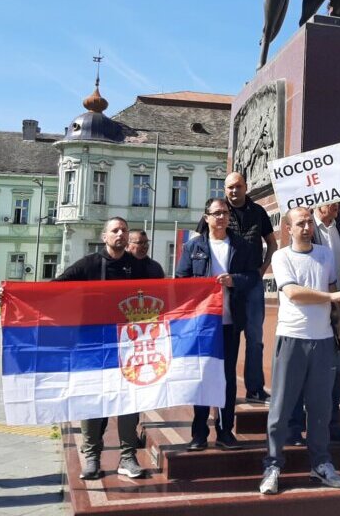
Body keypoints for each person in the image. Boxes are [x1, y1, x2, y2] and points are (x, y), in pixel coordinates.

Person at [52, 217, 153, 480]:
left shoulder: (138, 267)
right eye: (115, 230)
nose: (120, 234)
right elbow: (56, 286)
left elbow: (162, 295)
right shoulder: (89, 264)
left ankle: (128, 457)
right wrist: (16, 293)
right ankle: (92, 456)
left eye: (124, 230)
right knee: (92, 400)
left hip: (128, 345)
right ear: (104, 236)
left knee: (129, 399)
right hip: (92, 344)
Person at [260, 207, 340, 495]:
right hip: (292, 338)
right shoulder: (280, 256)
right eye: (301, 223)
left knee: (321, 408)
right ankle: (273, 465)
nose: (307, 227)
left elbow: (335, 290)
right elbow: (294, 293)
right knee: (282, 408)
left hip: (322, 340)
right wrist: (332, 295)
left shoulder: (324, 255)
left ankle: (321, 463)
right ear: (288, 228)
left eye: (310, 221)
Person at [176, 198, 259, 451]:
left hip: (230, 322)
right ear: (207, 217)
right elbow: (181, 279)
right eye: (217, 213)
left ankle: (225, 431)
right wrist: (201, 286)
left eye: (225, 213)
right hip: (202, 325)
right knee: (202, 377)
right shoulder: (193, 247)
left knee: (227, 379)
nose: (222, 217)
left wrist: (234, 280)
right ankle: (199, 432)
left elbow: (253, 276)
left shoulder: (241, 246)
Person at [287, 202, 340, 445]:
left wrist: (339, 316)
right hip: (304, 313)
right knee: (297, 373)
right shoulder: (305, 227)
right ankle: (294, 428)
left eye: (339, 200)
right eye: (331, 200)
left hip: (334, 305)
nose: (336, 204)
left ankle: (332, 424)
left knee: (335, 369)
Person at [224, 172, 277, 404]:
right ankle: (224, 390)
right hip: (226, 284)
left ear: (246, 187)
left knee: (254, 336)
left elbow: (272, 244)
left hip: (253, 282)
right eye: (229, 187)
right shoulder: (218, 210)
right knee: (228, 336)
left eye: (238, 186)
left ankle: (255, 388)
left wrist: (263, 269)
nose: (234, 191)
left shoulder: (258, 212)